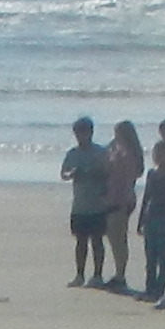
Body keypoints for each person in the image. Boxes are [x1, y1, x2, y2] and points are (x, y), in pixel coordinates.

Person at [60, 117, 114, 287]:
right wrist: (73, 174)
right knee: (80, 241)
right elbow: (63, 174)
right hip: (79, 204)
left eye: (83, 132)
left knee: (97, 240)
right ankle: (80, 275)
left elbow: (108, 173)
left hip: (97, 203)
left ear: (90, 132)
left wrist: (95, 173)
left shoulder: (100, 152)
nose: (80, 136)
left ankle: (97, 275)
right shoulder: (72, 153)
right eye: (77, 133)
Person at [133, 121, 165, 303]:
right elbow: (146, 197)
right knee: (150, 257)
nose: (157, 157)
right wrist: (140, 221)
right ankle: (149, 289)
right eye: (155, 154)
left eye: (161, 154)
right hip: (150, 217)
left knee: (163, 256)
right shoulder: (152, 173)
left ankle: (161, 290)